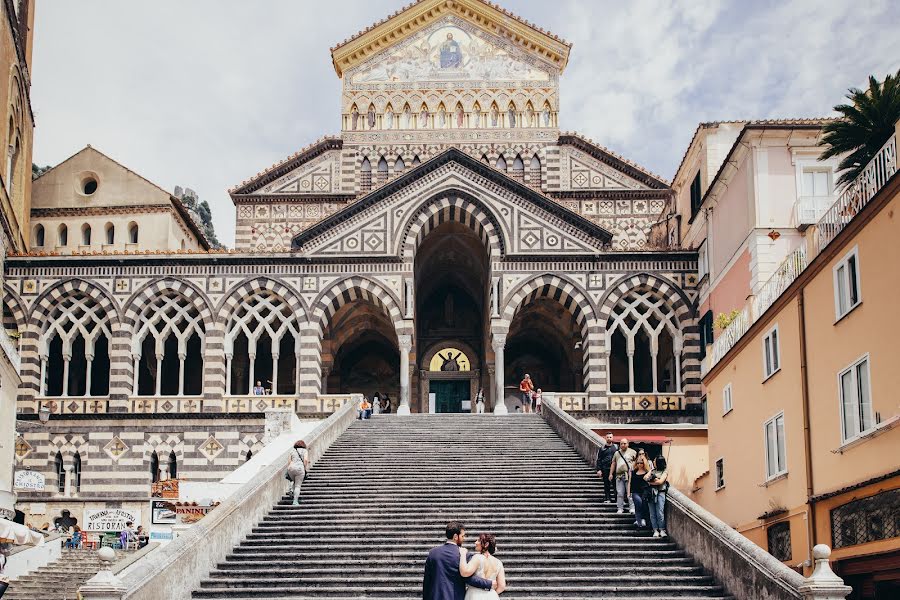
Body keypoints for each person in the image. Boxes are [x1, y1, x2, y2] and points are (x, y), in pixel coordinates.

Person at [423, 522, 496, 600]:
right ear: (455, 536)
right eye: (462, 536)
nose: (464, 538)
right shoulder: (464, 554)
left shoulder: (433, 553)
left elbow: (427, 581)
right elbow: (468, 578)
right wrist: (488, 583)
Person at [459, 533, 506, 598]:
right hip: (491, 595)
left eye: (478, 540)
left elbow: (465, 572)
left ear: (486, 544)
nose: (475, 542)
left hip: (475, 595)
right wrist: (491, 595)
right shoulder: (498, 562)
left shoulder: (477, 557)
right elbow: (502, 586)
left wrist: (463, 554)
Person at [609, 438, 636, 514]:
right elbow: (613, 463)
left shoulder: (633, 452)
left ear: (628, 444)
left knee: (630, 493)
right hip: (619, 476)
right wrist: (611, 473)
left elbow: (636, 462)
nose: (623, 445)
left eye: (624, 443)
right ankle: (620, 508)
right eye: (621, 444)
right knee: (620, 493)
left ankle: (632, 508)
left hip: (629, 475)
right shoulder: (617, 453)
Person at [645, 456, 670, 537]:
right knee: (652, 513)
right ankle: (655, 529)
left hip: (660, 493)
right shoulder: (652, 470)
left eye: (655, 461)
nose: (653, 462)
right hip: (651, 493)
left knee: (660, 512)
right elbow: (645, 478)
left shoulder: (664, 471)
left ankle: (662, 529)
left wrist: (651, 481)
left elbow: (660, 482)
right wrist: (654, 480)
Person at [629, 449, 652, 528]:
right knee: (638, 504)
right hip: (635, 491)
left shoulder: (647, 472)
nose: (639, 464)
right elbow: (630, 482)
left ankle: (644, 520)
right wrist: (628, 492)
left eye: (641, 463)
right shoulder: (633, 472)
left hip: (644, 491)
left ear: (644, 463)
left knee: (644, 506)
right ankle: (639, 523)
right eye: (638, 463)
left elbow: (651, 478)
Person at [594, 433, 617, 504]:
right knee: (606, 484)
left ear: (612, 438)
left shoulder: (616, 447)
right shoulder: (602, 448)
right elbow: (599, 459)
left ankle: (617, 499)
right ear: (605, 438)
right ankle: (608, 498)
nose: (609, 438)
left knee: (616, 484)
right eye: (607, 437)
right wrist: (599, 469)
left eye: (610, 437)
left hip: (615, 468)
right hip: (605, 468)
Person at [286, 440, 310, 506]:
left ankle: (290, 488)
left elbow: (289, 462)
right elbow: (305, 460)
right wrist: (304, 468)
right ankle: (295, 501)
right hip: (299, 468)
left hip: (291, 468)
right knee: (297, 486)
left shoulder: (292, 451)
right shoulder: (305, 451)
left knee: (293, 481)